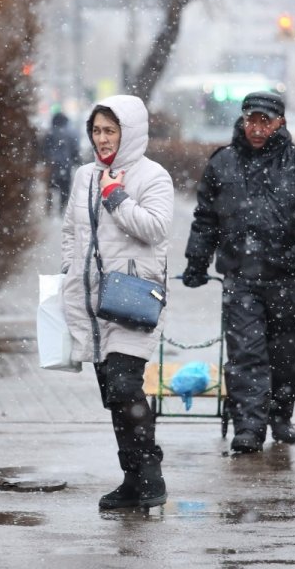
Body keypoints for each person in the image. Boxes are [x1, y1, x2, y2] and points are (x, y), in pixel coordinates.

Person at [181, 91, 295, 454]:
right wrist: (196, 261)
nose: (257, 128)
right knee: (245, 353)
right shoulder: (223, 163)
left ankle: (280, 414)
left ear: (280, 122)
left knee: (287, 354)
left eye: (266, 121)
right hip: (241, 276)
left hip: (287, 278)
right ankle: (248, 426)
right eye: (252, 119)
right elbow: (206, 219)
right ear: (243, 119)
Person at [60, 95, 174, 508]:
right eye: (96, 130)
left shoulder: (153, 176)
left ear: (129, 132)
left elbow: (156, 229)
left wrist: (117, 198)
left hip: (132, 299)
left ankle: (151, 475)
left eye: (110, 130)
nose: (102, 139)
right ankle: (132, 479)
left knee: (126, 388)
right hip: (91, 303)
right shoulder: (84, 175)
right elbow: (71, 231)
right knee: (113, 394)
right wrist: (69, 270)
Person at [42, 111, 80, 215]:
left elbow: (44, 149)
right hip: (66, 166)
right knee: (65, 189)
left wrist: (46, 160)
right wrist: (75, 161)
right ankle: (61, 210)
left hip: (52, 166)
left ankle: (49, 209)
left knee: (50, 189)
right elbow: (75, 150)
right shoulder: (70, 134)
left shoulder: (49, 133)